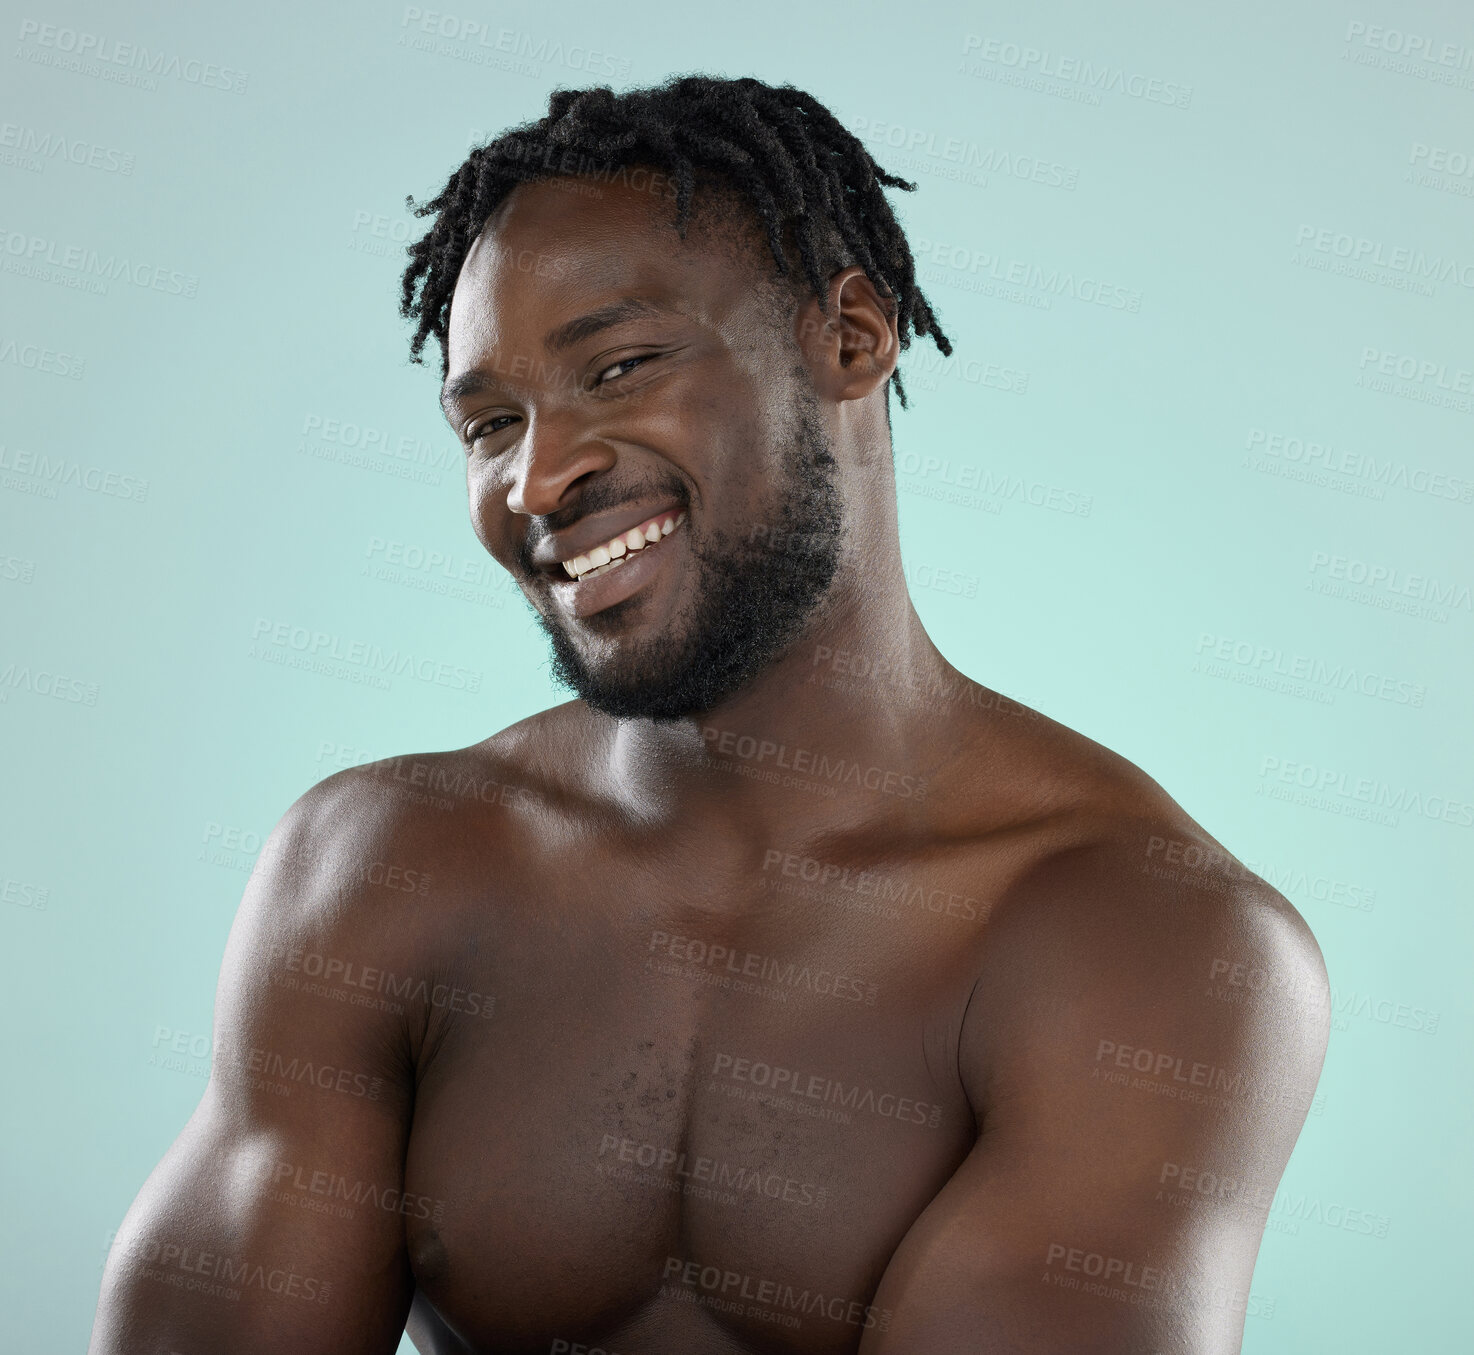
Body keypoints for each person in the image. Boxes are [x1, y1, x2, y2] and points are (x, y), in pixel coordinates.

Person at [91, 74, 1329, 1354]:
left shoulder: (1147, 944)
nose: (539, 476)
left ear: (849, 336)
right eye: (491, 423)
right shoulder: (375, 872)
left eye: (619, 368)